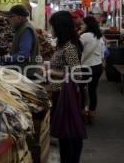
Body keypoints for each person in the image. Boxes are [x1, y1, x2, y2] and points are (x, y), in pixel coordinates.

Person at [48, 11, 85, 163]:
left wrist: (52, 71)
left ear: (60, 28)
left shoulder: (69, 46)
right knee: (66, 132)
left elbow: (77, 74)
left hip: (66, 96)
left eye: (53, 27)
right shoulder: (63, 44)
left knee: (68, 133)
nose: (51, 30)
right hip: (60, 93)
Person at [5, 5, 41, 79]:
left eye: (11, 16)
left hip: (28, 73)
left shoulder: (26, 30)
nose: (9, 19)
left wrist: (8, 59)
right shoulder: (21, 28)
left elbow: (24, 54)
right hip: (25, 72)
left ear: (19, 17)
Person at [80, 16, 104, 123]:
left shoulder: (84, 36)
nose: (82, 26)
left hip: (86, 67)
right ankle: (91, 113)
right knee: (92, 90)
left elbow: (77, 50)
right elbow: (103, 54)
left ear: (88, 25)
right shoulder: (99, 36)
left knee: (81, 89)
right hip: (98, 67)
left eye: (83, 24)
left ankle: (82, 112)